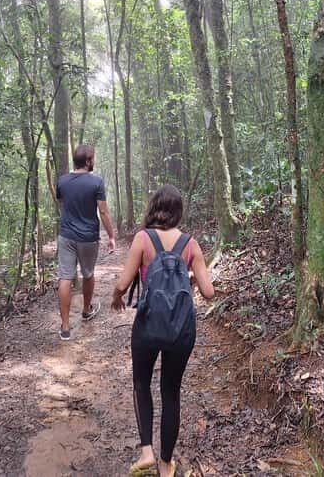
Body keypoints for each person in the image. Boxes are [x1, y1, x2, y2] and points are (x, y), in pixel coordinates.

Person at [111, 184, 214, 477]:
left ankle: (146, 452)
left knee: (141, 384)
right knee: (171, 391)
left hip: (147, 326)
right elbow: (209, 291)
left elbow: (123, 282)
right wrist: (190, 277)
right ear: (178, 212)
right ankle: (166, 464)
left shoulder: (143, 239)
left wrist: (116, 297)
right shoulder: (191, 244)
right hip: (182, 330)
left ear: (154, 208)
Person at [56, 144, 116, 340]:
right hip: (88, 237)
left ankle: (65, 327)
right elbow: (104, 211)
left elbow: (61, 202)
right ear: (88, 161)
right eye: (93, 158)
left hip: (66, 236)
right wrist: (111, 236)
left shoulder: (62, 181)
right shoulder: (96, 182)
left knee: (65, 277)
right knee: (88, 273)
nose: (94, 161)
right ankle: (86, 309)